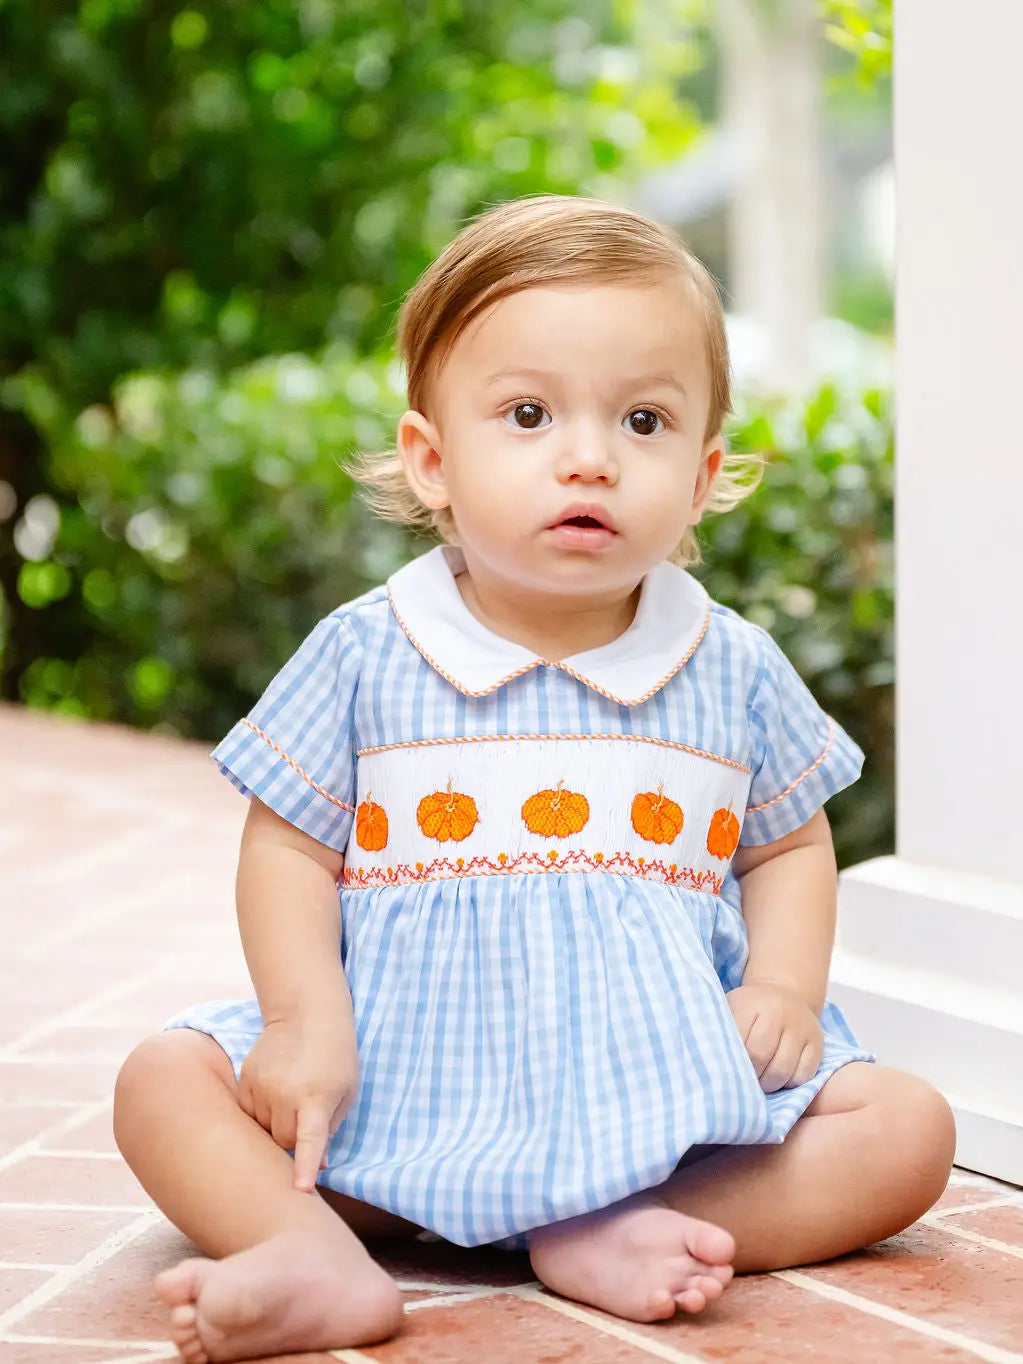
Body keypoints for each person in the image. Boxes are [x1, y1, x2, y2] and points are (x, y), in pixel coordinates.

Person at [113, 194, 956, 1364]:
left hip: (654, 1106)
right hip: (399, 1098)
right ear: (433, 459)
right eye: (528, 413)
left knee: (908, 1127)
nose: (590, 457)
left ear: (704, 472)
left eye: (645, 420)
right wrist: (305, 1022)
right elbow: (290, 841)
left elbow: (789, 843)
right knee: (164, 1078)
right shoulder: (368, 649)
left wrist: (782, 984)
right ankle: (306, 1250)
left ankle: (610, 1219)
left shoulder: (732, 666)